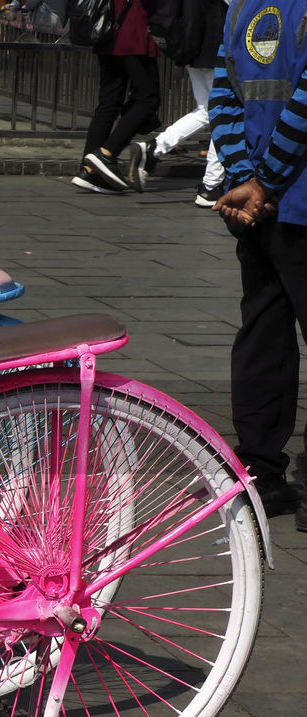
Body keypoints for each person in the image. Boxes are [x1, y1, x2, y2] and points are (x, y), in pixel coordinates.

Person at [207, 0, 307, 524]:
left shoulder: (243, 7)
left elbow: (223, 100)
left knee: (263, 334)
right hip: (294, 195)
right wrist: (266, 181)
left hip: (258, 207)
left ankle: (258, 475)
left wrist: (247, 177)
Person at [125, 0, 228, 204]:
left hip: (192, 47)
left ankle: (155, 148)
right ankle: (211, 185)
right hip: (215, 46)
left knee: (206, 110)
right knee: (221, 114)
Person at [72, 0, 162, 194]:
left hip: (110, 30)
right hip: (133, 31)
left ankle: (89, 169)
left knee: (109, 102)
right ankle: (107, 153)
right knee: (148, 99)